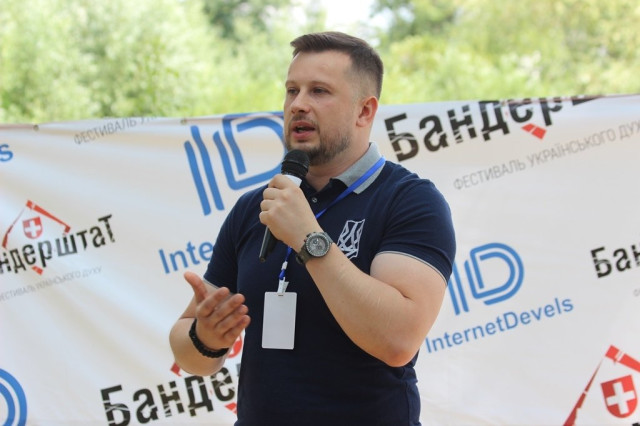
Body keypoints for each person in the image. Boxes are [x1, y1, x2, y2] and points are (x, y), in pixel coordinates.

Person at [169, 31, 456, 425]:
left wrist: (308, 239)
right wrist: (206, 339)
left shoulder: (410, 200)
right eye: (292, 91)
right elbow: (188, 351)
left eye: (319, 91)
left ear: (364, 111)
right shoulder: (257, 206)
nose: (298, 105)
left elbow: (398, 341)